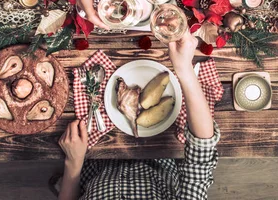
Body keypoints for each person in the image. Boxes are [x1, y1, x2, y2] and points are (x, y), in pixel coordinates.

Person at [57, 32, 220, 199]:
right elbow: (202, 150)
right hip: (160, 162)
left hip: (91, 168)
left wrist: (73, 164)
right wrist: (184, 69)